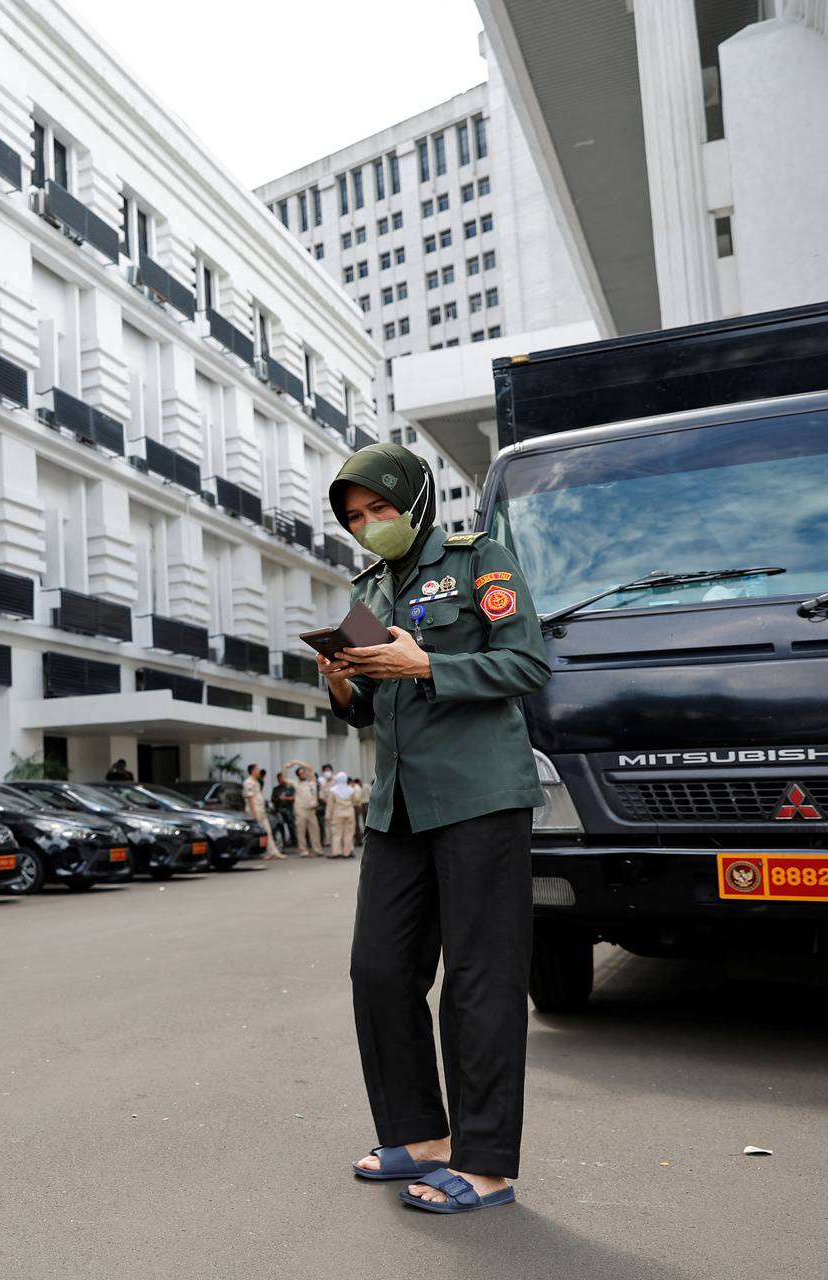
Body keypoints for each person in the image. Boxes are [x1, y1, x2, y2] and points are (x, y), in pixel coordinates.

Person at [319, 440, 549, 1214]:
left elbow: (526, 664)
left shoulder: (478, 557)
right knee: (378, 970)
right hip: (399, 804)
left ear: (414, 500)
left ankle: (486, 1166)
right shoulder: (367, 591)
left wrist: (428, 667)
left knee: (480, 979)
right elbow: (369, 711)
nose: (369, 525)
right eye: (356, 517)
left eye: (380, 509)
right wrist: (341, 684)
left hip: (481, 794)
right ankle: (420, 1135)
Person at [286, 761, 322, 856]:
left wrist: (295, 762)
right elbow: (284, 778)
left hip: (311, 809)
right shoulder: (296, 783)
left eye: (304, 772)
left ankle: (317, 849)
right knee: (301, 830)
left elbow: (310, 767)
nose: (304, 774)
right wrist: (287, 767)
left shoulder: (311, 781)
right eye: (301, 773)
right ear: (298, 775)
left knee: (315, 830)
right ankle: (303, 850)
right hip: (301, 809)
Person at [324, 771, 359, 859]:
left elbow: (330, 804)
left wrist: (328, 815)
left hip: (337, 814)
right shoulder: (351, 790)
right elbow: (356, 801)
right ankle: (347, 852)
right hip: (349, 813)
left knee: (336, 834)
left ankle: (337, 852)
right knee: (348, 833)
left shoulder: (333, 790)